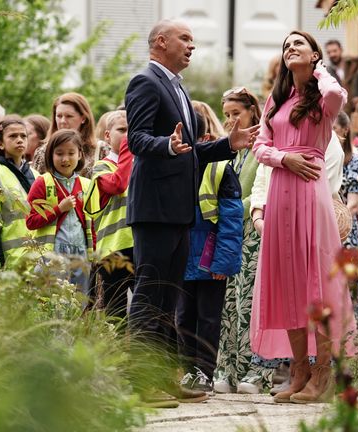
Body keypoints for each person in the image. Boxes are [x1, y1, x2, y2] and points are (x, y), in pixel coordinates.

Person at [123, 19, 258, 404]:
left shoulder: (178, 87)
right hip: (155, 211)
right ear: (160, 42)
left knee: (169, 300)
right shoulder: (145, 82)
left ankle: (164, 377)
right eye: (185, 39)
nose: (192, 46)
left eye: (193, 41)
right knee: (150, 297)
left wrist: (226, 144)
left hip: (180, 213)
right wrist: (166, 144)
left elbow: (190, 151)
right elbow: (137, 139)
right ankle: (140, 382)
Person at [250, 30, 356, 404]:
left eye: (299, 44)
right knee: (287, 280)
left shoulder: (322, 98)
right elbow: (260, 147)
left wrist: (319, 70)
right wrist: (284, 158)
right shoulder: (276, 99)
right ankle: (299, 369)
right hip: (281, 188)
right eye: (286, 45)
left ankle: (323, 369)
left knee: (316, 282)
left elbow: (336, 96)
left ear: (313, 55)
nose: (290, 48)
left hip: (310, 192)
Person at [177, 110, 244, 393]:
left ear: (204, 138)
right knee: (183, 318)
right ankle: (187, 370)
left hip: (210, 261)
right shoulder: (174, 166)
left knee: (208, 318)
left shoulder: (220, 169)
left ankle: (204, 371)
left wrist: (223, 263)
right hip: (182, 259)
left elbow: (232, 221)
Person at [212, 87, 272, 395]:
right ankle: (227, 369)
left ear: (253, 111)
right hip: (229, 232)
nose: (232, 120)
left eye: (237, 114)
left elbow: (262, 190)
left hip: (252, 229)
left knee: (251, 299)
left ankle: (257, 372)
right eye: (227, 115)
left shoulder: (263, 144)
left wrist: (231, 210)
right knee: (228, 302)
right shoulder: (231, 147)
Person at [26, 129, 93, 293]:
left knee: (80, 299)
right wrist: (58, 209)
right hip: (53, 252)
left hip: (81, 251)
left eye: (71, 153)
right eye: (59, 153)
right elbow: (30, 221)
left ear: (80, 155)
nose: (65, 159)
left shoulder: (87, 184)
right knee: (53, 299)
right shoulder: (42, 182)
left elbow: (94, 224)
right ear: (50, 155)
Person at [84, 110, 134, 319]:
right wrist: (127, 148)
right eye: (122, 130)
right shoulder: (102, 167)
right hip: (113, 248)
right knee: (116, 311)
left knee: (145, 305)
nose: (128, 135)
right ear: (107, 136)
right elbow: (118, 183)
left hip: (140, 243)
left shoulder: (140, 163)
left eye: (133, 131)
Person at [0, 116, 39, 268]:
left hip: (38, 263)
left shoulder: (37, 176)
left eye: (23, 136)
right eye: (13, 136)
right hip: (11, 263)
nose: (19, 140)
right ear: (0, 144)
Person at [334, 111, 358, 327]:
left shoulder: (356, 161)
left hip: (345, 230)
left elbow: (353, 205)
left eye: (333, 128)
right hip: (321, 226)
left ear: (345, 130)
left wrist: (336, 226)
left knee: (346, 284)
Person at [32, 92, 98, 177]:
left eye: (69, 116)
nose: (63, 121)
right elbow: (35, 185)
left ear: (83, 118)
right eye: (59, 116)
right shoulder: (43, 152)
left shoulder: (100, 150)